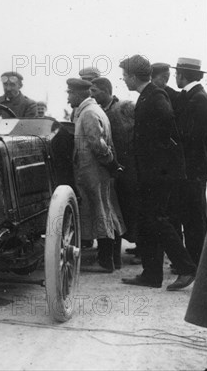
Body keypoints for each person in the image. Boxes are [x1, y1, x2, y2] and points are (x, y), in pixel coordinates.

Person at [119, 55, 197, 290]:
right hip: (153, 173)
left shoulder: (155, 96)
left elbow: (168, 128)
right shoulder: (148, 95)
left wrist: (156, 162)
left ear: (133, 77)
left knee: (158, 219)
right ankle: (151, 275)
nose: (123, 80)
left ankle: (186, 268)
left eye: (124, 76)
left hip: (159, 175)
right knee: (148, 220)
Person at [67, 78, 125, 272]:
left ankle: (106, 260)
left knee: (101, 213)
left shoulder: (89, 113)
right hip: (95, 170)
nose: (68, 99)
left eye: (69, 94)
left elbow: (96, 143)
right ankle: (112, 260)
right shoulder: (90, 110)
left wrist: (111, 163)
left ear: (78, 94)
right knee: (106, 212)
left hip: (93, 171)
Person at [90, 77, 138, 255]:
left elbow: (135, 135)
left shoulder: (124, 107)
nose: (92, 95)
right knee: (120, 207)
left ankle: (141, 248)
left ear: (105, 90)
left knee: (132, 206)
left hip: (128, 166)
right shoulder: (100, 110)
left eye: (95, 91)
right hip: (113, 167)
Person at [173, 57, 207, 266]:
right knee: (193, 215)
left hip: (194, 168)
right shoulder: (194, 96)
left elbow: (194, 136)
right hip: (194, 168)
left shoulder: (198, 99)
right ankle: (197, 260)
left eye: (177, 73)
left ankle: (198, 262)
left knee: (195, 218)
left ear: (182, 74)